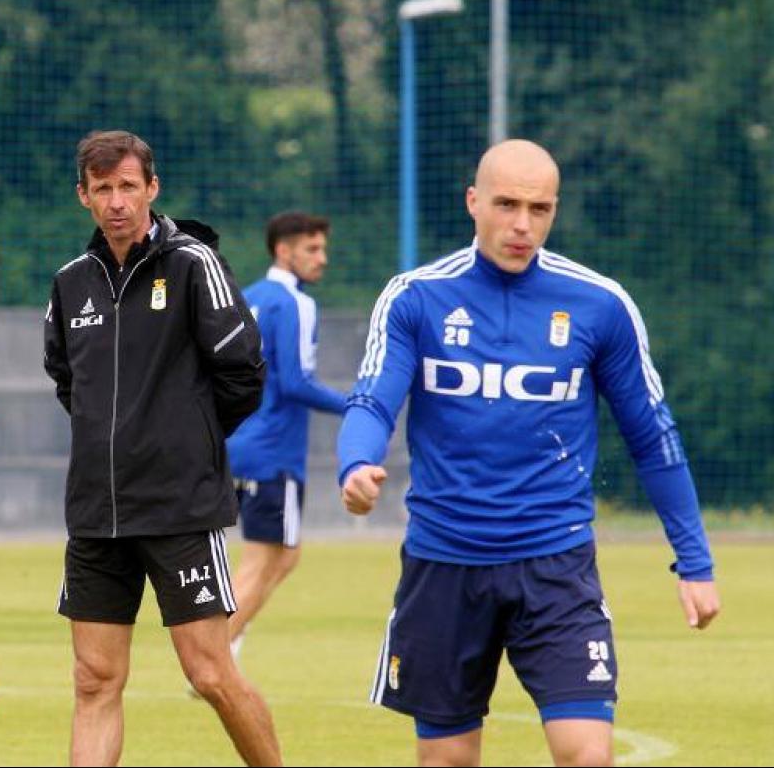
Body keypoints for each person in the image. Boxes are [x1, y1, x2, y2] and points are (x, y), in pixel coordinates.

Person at [336, 139, 721, 767]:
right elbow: (373, 400)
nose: (522, 224)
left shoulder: (600, 304)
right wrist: (356, 463)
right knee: (448, 761)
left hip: (555, 564)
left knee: (586, 755)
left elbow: (652, 435)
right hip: (445, 563)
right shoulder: (415, 298)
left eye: (539, 209)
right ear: (473, 202)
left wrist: (695, 562)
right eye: (507, 204)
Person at [44, 130, 282, 767]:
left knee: (210, 675)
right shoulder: (71, 285)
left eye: (128, 186)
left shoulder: (192, 263)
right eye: (103, 189)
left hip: (181, 509)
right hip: (96, 514)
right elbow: (68, 380)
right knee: (94, 681)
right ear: (83, 198)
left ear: (152, 188)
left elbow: (244, 371)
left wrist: (183, 440)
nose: (117, 201)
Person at [224, 212, 346, 662]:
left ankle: (227, 644)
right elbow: (296, 383)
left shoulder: (247, 297)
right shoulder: (295, 303)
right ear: (283, 250)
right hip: (273, 451)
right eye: (312, 249)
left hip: (236, 445)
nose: (322, 259)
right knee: (266, 560)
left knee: (281, 557)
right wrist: (355, 406)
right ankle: (213, 659)